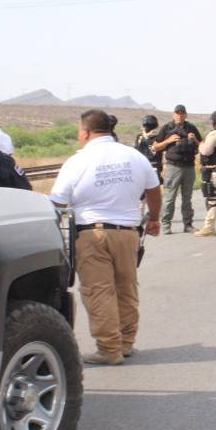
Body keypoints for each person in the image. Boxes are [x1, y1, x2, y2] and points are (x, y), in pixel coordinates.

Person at [49, 109, 162, 365]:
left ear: (85, 132)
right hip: (128, 234)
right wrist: (154, 218)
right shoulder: (133, 156)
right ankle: (125, 343)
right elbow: (153, 190)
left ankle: (109, 349)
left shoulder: (78, 161)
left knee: (98, 291)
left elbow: (56, 202)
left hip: (91, 235)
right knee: (126, 288)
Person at [153, 104, 201, 234]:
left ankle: (188, 225)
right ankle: (166, 225)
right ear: (173, 114)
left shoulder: (191, 128)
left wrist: (195, 139)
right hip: (173, 167)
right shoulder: (167, 128)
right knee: (170, 198)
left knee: (187, 198)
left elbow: (202, 146)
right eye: (177, 113)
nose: (179, 115)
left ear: (185, 114)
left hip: (189, 167)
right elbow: (156, 147)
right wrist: (168, 141)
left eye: (182, 113)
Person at [134, 115, 162, 182]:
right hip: (141, 165)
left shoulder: (158, 137)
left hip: (153, 164)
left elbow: (152, 151)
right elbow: (137, 150)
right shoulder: (140, 136)